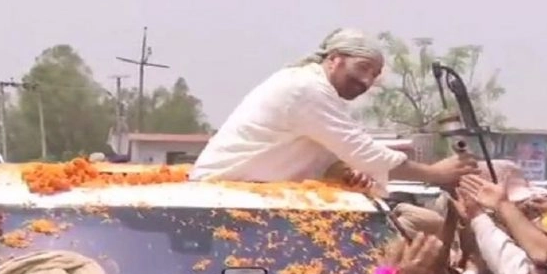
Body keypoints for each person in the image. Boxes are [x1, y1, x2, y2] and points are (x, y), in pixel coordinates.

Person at [190, 28, 478, 191]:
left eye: (374, 75)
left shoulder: (316, 90)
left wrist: (345, 171)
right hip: (224, 195)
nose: (367, 81)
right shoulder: (306, 89)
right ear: (335, 60)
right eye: (362, 68)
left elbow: (335, 153)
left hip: (254, 194)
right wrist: (436, 173)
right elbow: (364, 152)